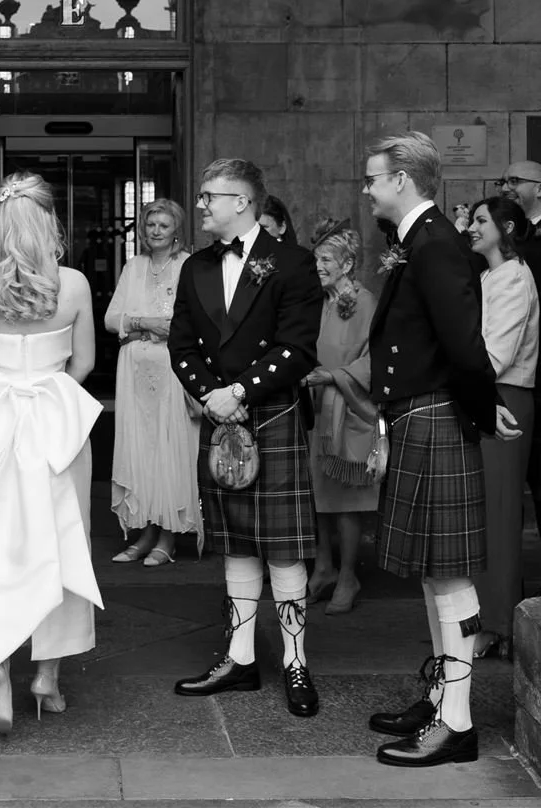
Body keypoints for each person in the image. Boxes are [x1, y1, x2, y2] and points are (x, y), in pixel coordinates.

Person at [361, 133, 519, 769]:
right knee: (434, 568)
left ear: (402, 180)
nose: (367, 188)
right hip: (416, 414)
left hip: (434, 415)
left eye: (373, 178)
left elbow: (462, 344)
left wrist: (483, 412)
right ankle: (439, 697)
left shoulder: (433, 246)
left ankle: (457, 721)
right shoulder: (417, 243)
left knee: (449, 570)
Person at [168, 159, 323, 718]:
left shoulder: (293, 264)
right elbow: (181, 345)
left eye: (210, 196)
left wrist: (240, 390)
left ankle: (295, 661)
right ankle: (238, 659)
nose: (202, 205)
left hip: (270, 413)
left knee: (283, 547)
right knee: (236, 542)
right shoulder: (195, 268)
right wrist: (211, 393)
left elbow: (298, 347)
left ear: (243, 202)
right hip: (219, 415)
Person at [0, 170, 102, 736]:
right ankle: (47, 676)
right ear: (47, 221)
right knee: (62, 542)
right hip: (58, 426)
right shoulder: (75, 284)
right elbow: (84, 363)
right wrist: (48, 393)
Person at [105, 198, 201, 565]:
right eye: (150, 225)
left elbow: (199, 320)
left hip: (174, 371)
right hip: (133, 372)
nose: (155, 231)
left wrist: (168, 329)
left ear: (177, 229)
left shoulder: (189, 265)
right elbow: (112, 319)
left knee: (169, 449)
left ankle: (168, 536)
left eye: (163, 225)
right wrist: (144, 322)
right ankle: (144, 532)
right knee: (139, 448)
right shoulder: (134, 266)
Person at [468, 196, 539, 659]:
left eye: (479, 220)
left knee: (497, 513)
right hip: (482, 394)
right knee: (479, 514)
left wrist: (458, 382)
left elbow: (496, 354)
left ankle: (499, 624)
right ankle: (483, 617)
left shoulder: (515, 277)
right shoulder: (488, 275)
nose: (470, 227)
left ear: (505, 226)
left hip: (503, 397)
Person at [302, 221, 378, 615]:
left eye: (326, 259)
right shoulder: (323, 301)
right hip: (318, 406)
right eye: (316, 258)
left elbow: (375, 358)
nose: (319, 266)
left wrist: (334, 376)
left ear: (347, 264)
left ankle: (348, 574)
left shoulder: (364, 302)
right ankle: (324, 566)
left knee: (348, 499)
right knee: (319, 494)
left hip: (349, 408)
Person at [497, 161, 541, 557]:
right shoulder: (516, 244)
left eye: (515, 181)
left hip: (538, 371)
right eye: (505, 180)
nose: (507, 186)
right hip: (522, 372)